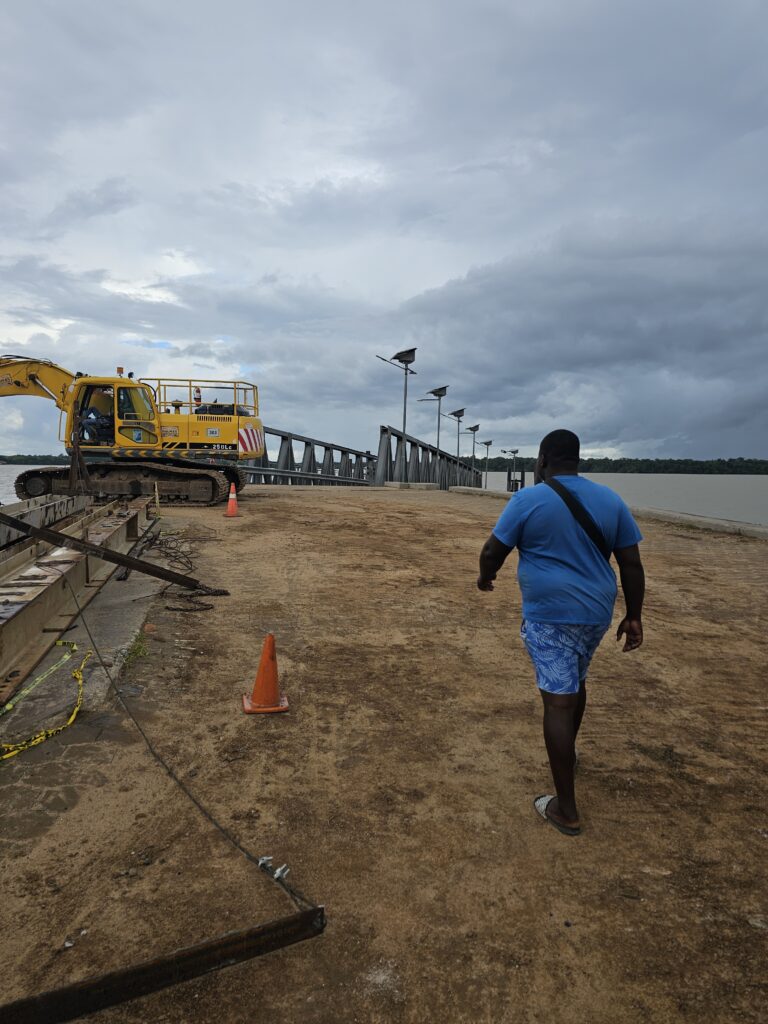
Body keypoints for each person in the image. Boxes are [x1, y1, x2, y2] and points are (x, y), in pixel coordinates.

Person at [477, 429, 645, 836]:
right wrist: (634, 615)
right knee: (575, 681)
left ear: (542, 459)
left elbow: (492, 550)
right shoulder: (610, 499)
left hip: (550, 615)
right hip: (595, 614)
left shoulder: (527, 500)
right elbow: (631, 563)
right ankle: (569, 755)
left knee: (557, 702)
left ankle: (565, 809)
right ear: (578, 460)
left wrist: (486, 577)